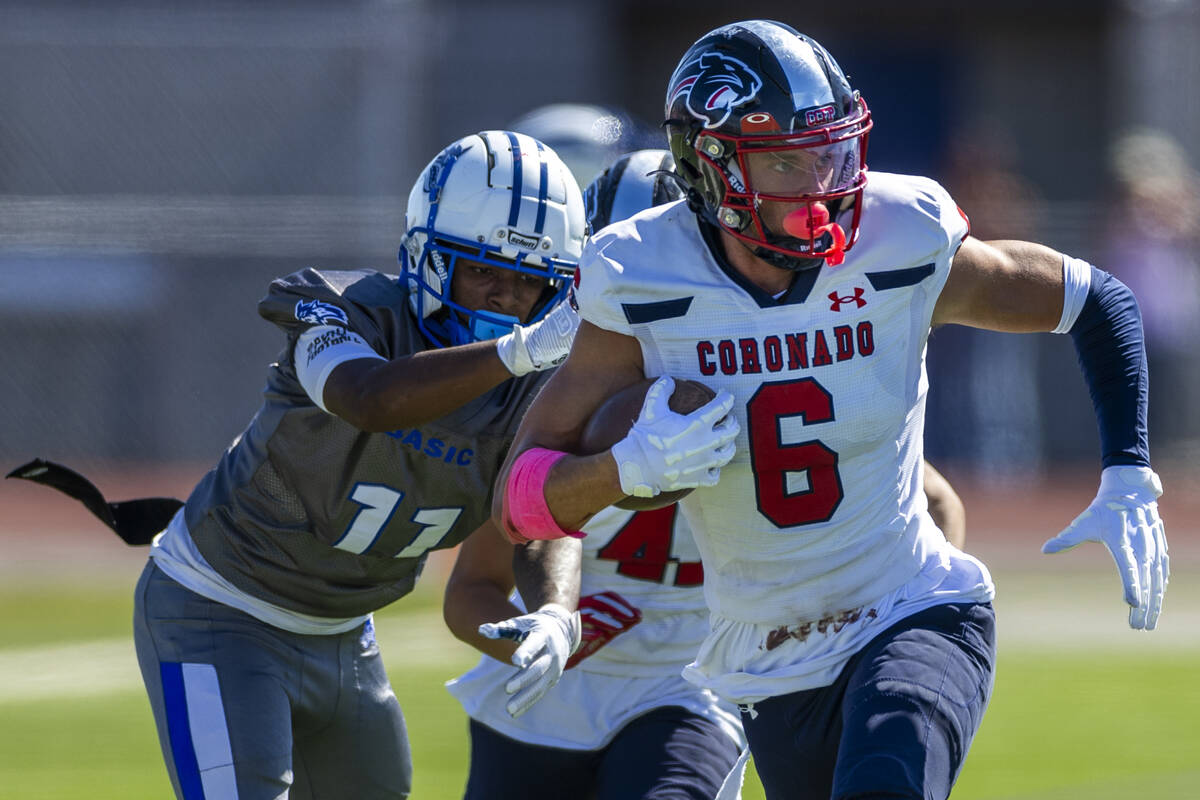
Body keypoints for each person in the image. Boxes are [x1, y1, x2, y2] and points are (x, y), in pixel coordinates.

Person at [488, 20, 1169, 800]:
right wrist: (623, 468)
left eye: (833, 152)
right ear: (709, 167)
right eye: (788, 161)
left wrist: (1127, 470)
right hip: (764, 656)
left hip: (913, 609)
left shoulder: (899, 233)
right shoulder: (638, 273)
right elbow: (522, 498)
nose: (822, 183)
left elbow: (1092, 297)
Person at [441, 151, 969, 800]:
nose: (653, 302)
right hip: (546, 699)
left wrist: (882, 630)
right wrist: (544, 634)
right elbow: (473, 586)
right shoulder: (555, 412)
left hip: (694, 688)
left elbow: (935, 504)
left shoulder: (759, 377)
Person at [128, 130, 588, 800]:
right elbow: (367, 398)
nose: (505, 299)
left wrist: (554, 612)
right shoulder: (342, 309)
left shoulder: (534, 379)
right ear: (426, 258)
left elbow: (537, 506)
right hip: (217, 611)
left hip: (345, 636)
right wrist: (519, 353)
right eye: (483, 270)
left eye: (528, 283)